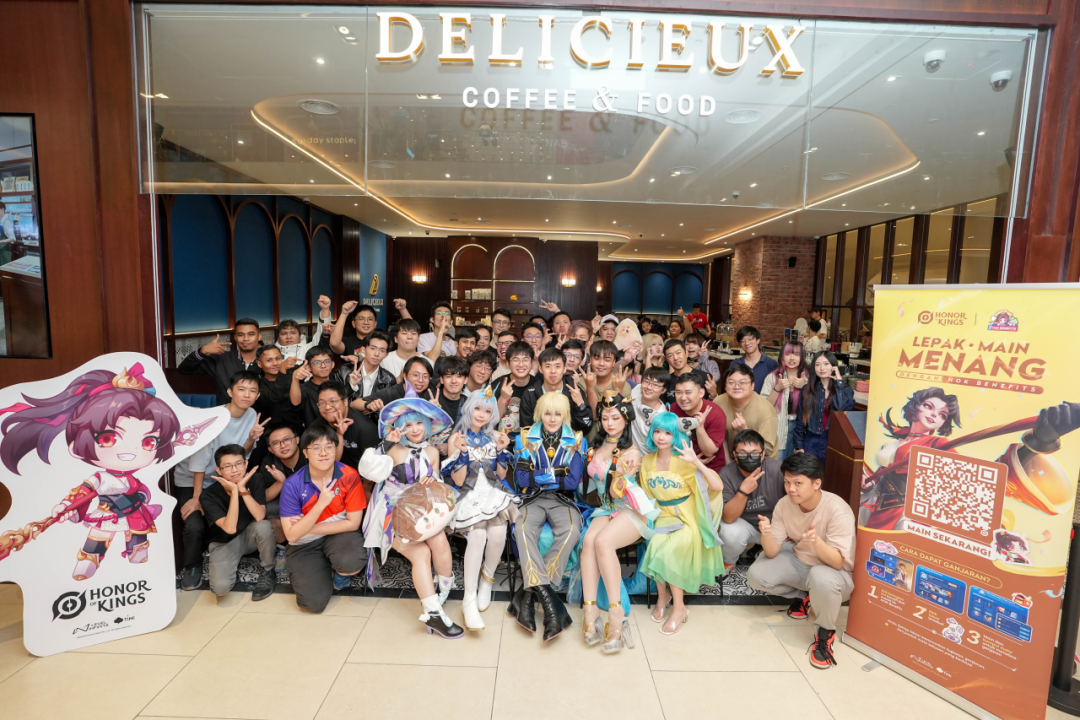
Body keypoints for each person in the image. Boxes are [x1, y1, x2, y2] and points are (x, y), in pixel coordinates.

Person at [360, 397, 463, 638]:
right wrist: (387, 443)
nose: (414, 429)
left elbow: (438, 485)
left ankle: (443, 591)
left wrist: (433, 480)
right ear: (399, 427)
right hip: (393, 515)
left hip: (423, 512)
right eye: (408, 424)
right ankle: (433, 614)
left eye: (418, 423)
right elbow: (367, 470)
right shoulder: (392, 450)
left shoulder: (432, 451)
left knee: (440, 540)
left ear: (426, 425)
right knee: (421, 553)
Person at [747, 452, 855, 670]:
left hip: (834, 574)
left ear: (816, 483)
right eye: (787, 482)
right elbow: (771, 552)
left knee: (820, 577)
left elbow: (837, 562)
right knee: (756, 576)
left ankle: (825, 633)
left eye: (798, 483)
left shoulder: (838, 510)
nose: (791, 489)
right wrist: (766, 533)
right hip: (801, 562)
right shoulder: (784, 504)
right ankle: (806, 597)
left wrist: (817, 543)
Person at [174, 370, 268, 590]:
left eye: (252, 390)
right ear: (230, 392)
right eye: (241, 389)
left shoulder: (251, 415)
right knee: (194, 522)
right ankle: (192, 565)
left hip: (225, 475)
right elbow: (199, 462)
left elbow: (242, 452)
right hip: (193, 478)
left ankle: (223, 550)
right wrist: (197, 497)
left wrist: (251, 438)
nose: (246, 395)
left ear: (257, 395)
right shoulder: (214, 419)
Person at [579, 394, 657, 653]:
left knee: (602, 542)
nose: (610, 423)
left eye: (615, 417)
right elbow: (592, 486)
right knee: (588, 541)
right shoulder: (599, 444)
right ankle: (590, 611)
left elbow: (615, 492)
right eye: (605, 418)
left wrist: (623, 474)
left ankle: (616, 615)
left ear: (626, 419)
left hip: (630, 507)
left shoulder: (632, 452)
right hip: (606, 507)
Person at [510, 391, 588, 641]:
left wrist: (540, 474)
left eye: (557, 413)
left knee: (571, 531)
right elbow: (522, 479)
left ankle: (528, 595)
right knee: (522, 529)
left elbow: (573, 482)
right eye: (547, 413)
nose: (552, 419)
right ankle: (551, 603)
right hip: (531, 498)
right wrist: (558, 472)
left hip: (562, 499)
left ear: (565, 415)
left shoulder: (577, 439)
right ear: (539, 414)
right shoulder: (524, 437)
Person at [638, 412, 725, 635]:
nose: (661, 437)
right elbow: (647, 496)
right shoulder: (646, 461)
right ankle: (663, 597)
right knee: (655, 543)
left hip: (688, 518)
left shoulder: (684, 461)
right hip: (662, 515)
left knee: (669, 550)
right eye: (657, 431)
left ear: (677, 435)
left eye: (668, 432)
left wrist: (696, 462)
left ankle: (679, 608)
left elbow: (718, 487)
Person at [442, 388, 519, 630]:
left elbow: (501, 475)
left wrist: (502, 450)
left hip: (492, 493)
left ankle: (487, 580)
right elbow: (458, 480)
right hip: (467, 495)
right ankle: (469, 599)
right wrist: (463, 453)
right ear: (469, 408)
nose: (481, 414)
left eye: (487, 411)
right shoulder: (456, 438)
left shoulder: (495, 436)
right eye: (477, 408)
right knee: (477, 536)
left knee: (498, 534)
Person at [280, 421, 368, 613]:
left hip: (338, 536)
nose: (323, 453)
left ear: (336, 449)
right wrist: (320, 504)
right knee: (313, 604)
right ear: (305, 452)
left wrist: (306, 526)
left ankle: (338, 570)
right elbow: (292, 535)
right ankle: (316, 568)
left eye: (329, 446)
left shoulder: (349, 475)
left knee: (351, 562)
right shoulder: (292, 484)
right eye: (316, 448)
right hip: (304, 544)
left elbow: (353, 523)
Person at [200, 444, 276, 601]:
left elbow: (259, 515)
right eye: (228, 466)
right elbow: (229, 528)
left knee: (263, 526)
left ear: (246, 464)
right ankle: (233, 562)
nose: (235, 470)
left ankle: (268, 570)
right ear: (219, 470)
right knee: (220, 589)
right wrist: (235, 492)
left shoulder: (255, 479)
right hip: (224, 542)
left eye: (238, 464)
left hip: (249, 535)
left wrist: (243, 490)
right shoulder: (208, 496)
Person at [718, 429, 785, 570]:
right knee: (728, 532)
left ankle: (764, 551)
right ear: (735, 455)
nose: (749, 457)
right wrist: (743, 491)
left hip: (776, 526)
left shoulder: (778, 470)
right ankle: (729, 561)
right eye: (742, 453)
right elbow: (728, 518)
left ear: (763, 454)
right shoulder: (726, 474)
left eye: (754, 453)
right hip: (746, 526)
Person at [253, 422, 306, 567]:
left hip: (312, 501)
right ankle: (283, 548)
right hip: (285, 504)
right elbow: (264, 497)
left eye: (287, 439)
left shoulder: (309, 455)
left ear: (297, 439)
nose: (283, 446)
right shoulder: (269, 462)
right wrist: (280, 482)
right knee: (268, 509)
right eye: (276, 443)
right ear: (270, 449)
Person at [177, 318, 262, 404]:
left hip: (260, 412)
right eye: (240, 335)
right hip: (225, 411)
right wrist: (202, 351)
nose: (246, 338)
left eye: (251, 334)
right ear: (235, 337)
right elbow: (184, 369)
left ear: (259, 336)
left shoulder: (267, 362)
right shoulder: (221, 359)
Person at [794, 351, 855, 463]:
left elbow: (843, 408)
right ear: (814, 368)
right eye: (818, 364)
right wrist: (799, 446)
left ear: (834, 366)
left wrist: (839, 382)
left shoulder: (844, 390)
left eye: (826, 364)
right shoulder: (807, 389)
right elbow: (800, 420)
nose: (822, 368)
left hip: (834, 442)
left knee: (830, 473)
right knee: (810, 472)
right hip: (811, 441)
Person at [520, 347, 593, 435]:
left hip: (569, 441)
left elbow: (586, 428)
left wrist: (580, 405)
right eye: (548, 366)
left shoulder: (575, 391)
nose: (553, 371)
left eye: (557, 366)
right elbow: (526, 429)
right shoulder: (530, 394)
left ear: (564, 368)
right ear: (540, 369)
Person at [715, 365, 779, 459]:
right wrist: (728, 463)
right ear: (725, 386)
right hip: (731, 459)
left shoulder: (765, 410)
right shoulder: (718, 403)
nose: (736, 387)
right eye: (731, 382)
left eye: (742, 383)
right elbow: (718, 437)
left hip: (760, 462)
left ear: (752, 385)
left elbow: (768, 450)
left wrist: (745, 431)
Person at [670, 372, 728, 473]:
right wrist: (691, 462)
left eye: (688, 392)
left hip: (711, 468)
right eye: (678, 392)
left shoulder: (715, 414)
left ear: (701, 393)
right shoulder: (672, 410)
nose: (683, 397)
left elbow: (709, 452)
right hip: (681, 463)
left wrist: (700, 427)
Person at [761, 341, 809, 460]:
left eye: (796, 354)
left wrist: (806, 386)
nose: (792, 358)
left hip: (801, 430)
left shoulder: (809, 378)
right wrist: (777, 388)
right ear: (782, 356)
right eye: (788, 354)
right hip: (778, 428)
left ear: (802, 357)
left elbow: (817, 406)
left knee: (796, 466)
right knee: (778, 464)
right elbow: (763, 407)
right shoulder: (772, 378)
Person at [492, 341, 536, 440]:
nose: (521, 364)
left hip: (531, 441)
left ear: (532, 363)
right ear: (508, 364)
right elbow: (490, 421)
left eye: (525, 359)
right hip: (502, 441)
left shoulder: (538, 385)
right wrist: (502, 399)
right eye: (515, 359)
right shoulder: (498, 384)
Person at [252, 344, 302, 430]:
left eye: (278, 358)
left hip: (296, 429)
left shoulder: (292, 374)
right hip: (269, 432)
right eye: (269, 360)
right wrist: (282, 371)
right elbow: (274, 396)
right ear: (259, 364)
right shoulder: (256, 384)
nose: (275, 363)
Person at [316, 383, 364, 468]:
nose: (327, 407)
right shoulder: (317, 427)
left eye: (333, 401)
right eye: (322, 403)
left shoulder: (364, 428)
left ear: (345, 401)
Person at [581, 340, 632, 418]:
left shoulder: (622, 384)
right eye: (597, 358)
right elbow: (594, 417)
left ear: (614, 362)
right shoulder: (580, 383)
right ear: (590, 359)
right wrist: (590, 389)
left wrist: (618, 391)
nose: (601, 363)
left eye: (607, 360)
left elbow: (620, 418)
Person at [275, 295, 332, 362]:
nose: (289, 337)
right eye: (284, 333)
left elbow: (322, 331)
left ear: (300, 336)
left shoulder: (309, 348)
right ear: (278, 337)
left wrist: (325, 309)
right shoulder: (272, 353)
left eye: (293, 333)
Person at [289, 345, 336, 426]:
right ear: (308, 367)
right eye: (317, 363)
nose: (323, 366)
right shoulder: (304, 388)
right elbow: (295, 403)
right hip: (315, 431)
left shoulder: (338, 384)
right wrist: (295, 378)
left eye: (327, 361)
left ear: (332, 364)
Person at [630, 366, 670, 455]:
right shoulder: (637, 390)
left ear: (663, 390)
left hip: (646, 459)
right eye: (646, 382)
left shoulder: (661, 417)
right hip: (627, 453)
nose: (648, 387)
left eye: (655, 385)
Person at [731, 326, 779, 393]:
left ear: (758, 340)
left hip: (764, 399)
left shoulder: (771, 364)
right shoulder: (735, 364)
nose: (746, 343)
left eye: (750, 339)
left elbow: (776, 389)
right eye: (743, 341)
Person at [433, 355, 469, 424]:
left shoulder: (468, 404)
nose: (453, 381)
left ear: (465, 380)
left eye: (458, 376)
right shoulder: (431, 399)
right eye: (449, 376)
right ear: (441, 379)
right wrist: (429, 411)